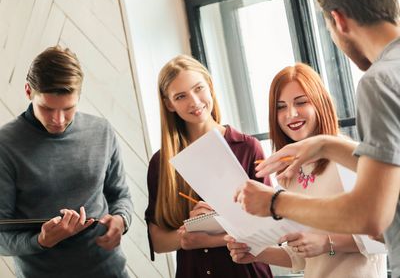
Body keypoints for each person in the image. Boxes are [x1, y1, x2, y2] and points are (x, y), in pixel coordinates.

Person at [233, 0, 400, 276]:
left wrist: (275, 202)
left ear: (338, 21)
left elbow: (372, 215)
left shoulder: (380, 82)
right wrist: (325, 145)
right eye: (282, 107)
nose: (292, 114)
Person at [227, 63, 386, 278]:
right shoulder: (289, 173)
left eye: (301, 102)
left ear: (320, 104)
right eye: (280, 107)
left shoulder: (345, 157)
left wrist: (326, 243)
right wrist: (256, 254)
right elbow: (301, 257)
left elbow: (383, 237)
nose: (291, 114)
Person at [0, 46, 133, 278]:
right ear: (28, 91)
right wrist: (41, 240)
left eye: (68, 109)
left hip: (111, 271)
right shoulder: (5, 146)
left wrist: (122, 219)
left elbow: (120, 195)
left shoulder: (101, 130)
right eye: (47, 108)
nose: (58, 120)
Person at [144, 55, 272, 278]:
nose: (194, 101)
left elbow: (270, 228)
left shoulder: (248, 148)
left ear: (210, 86)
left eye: (198, 88)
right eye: (181, 96)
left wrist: (212, 232)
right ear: (169, 104)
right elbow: (158, 241)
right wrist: (189, 232)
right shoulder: (161, 163)